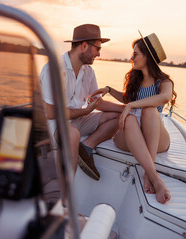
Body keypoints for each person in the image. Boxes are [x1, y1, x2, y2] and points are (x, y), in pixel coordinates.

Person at [91, 32, 177, 204]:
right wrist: (109, 89)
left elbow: (165, 98)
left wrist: (131, 106)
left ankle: (149, 174)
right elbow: (127, 98)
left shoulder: (163, 82)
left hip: (154, 136)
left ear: (147, 56)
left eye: (136, 53)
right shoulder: (135, 80)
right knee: (130, 119)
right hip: (131, 136)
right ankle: (155, 177)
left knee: (150, 110)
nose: (132, 57)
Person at [39, 24, 123, 182]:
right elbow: (50, 112)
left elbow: (97, 103)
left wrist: (126, 109)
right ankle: (65, 198)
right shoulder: (54, 70)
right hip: (54, 124)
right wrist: (85, 111)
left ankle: (87, 147)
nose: (99, 54)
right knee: (73, 134)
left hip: (78, 120)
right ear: (84, 46)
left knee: (116, 117)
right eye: (97, 48)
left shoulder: (89, 72)